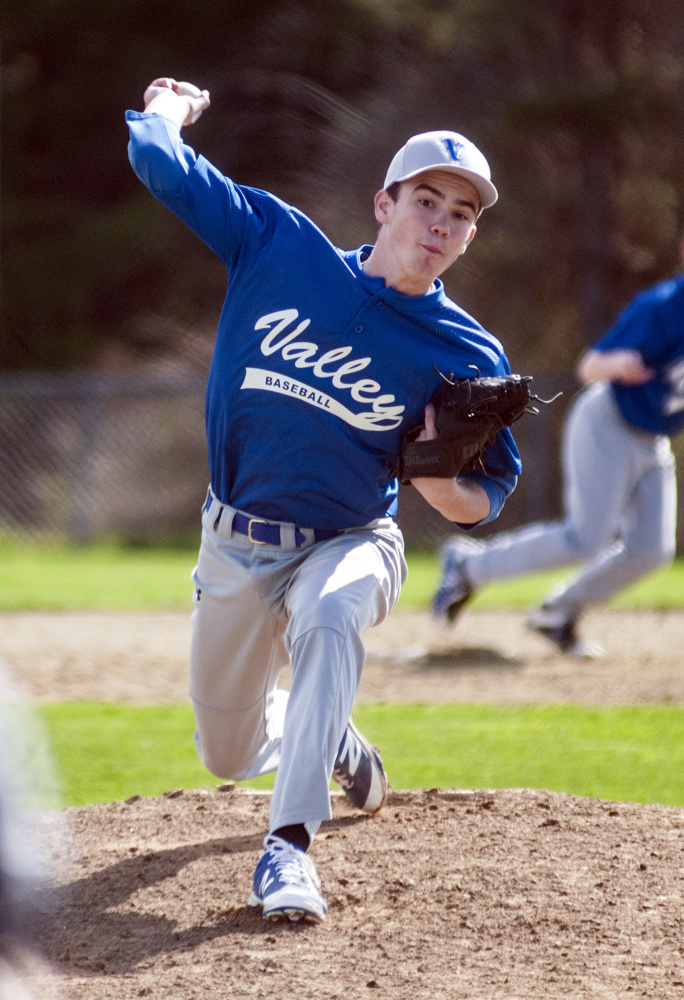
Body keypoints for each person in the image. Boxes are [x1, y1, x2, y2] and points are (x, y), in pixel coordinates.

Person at [126, 77, 521, 923]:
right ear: (384, 205)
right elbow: (158, 163)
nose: (442, 221)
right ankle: (329, 733)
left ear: (470, 234)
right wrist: (169, 107)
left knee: (331, 613)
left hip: (352, 538)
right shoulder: (280, 247)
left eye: (462, 211)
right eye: (426, 199)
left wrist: (433, 476)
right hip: (234, 543)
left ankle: (290, 850)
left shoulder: (465, 350)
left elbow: (482, 500)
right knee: (226, 753)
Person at [433, 253, 684, 658]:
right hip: (609, 421)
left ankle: (557, 613)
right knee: (585, 537)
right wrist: (620, 362)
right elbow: (590, 366)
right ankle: (467, 567)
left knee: (652, 550)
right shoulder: (664, 307)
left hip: (654, 440)